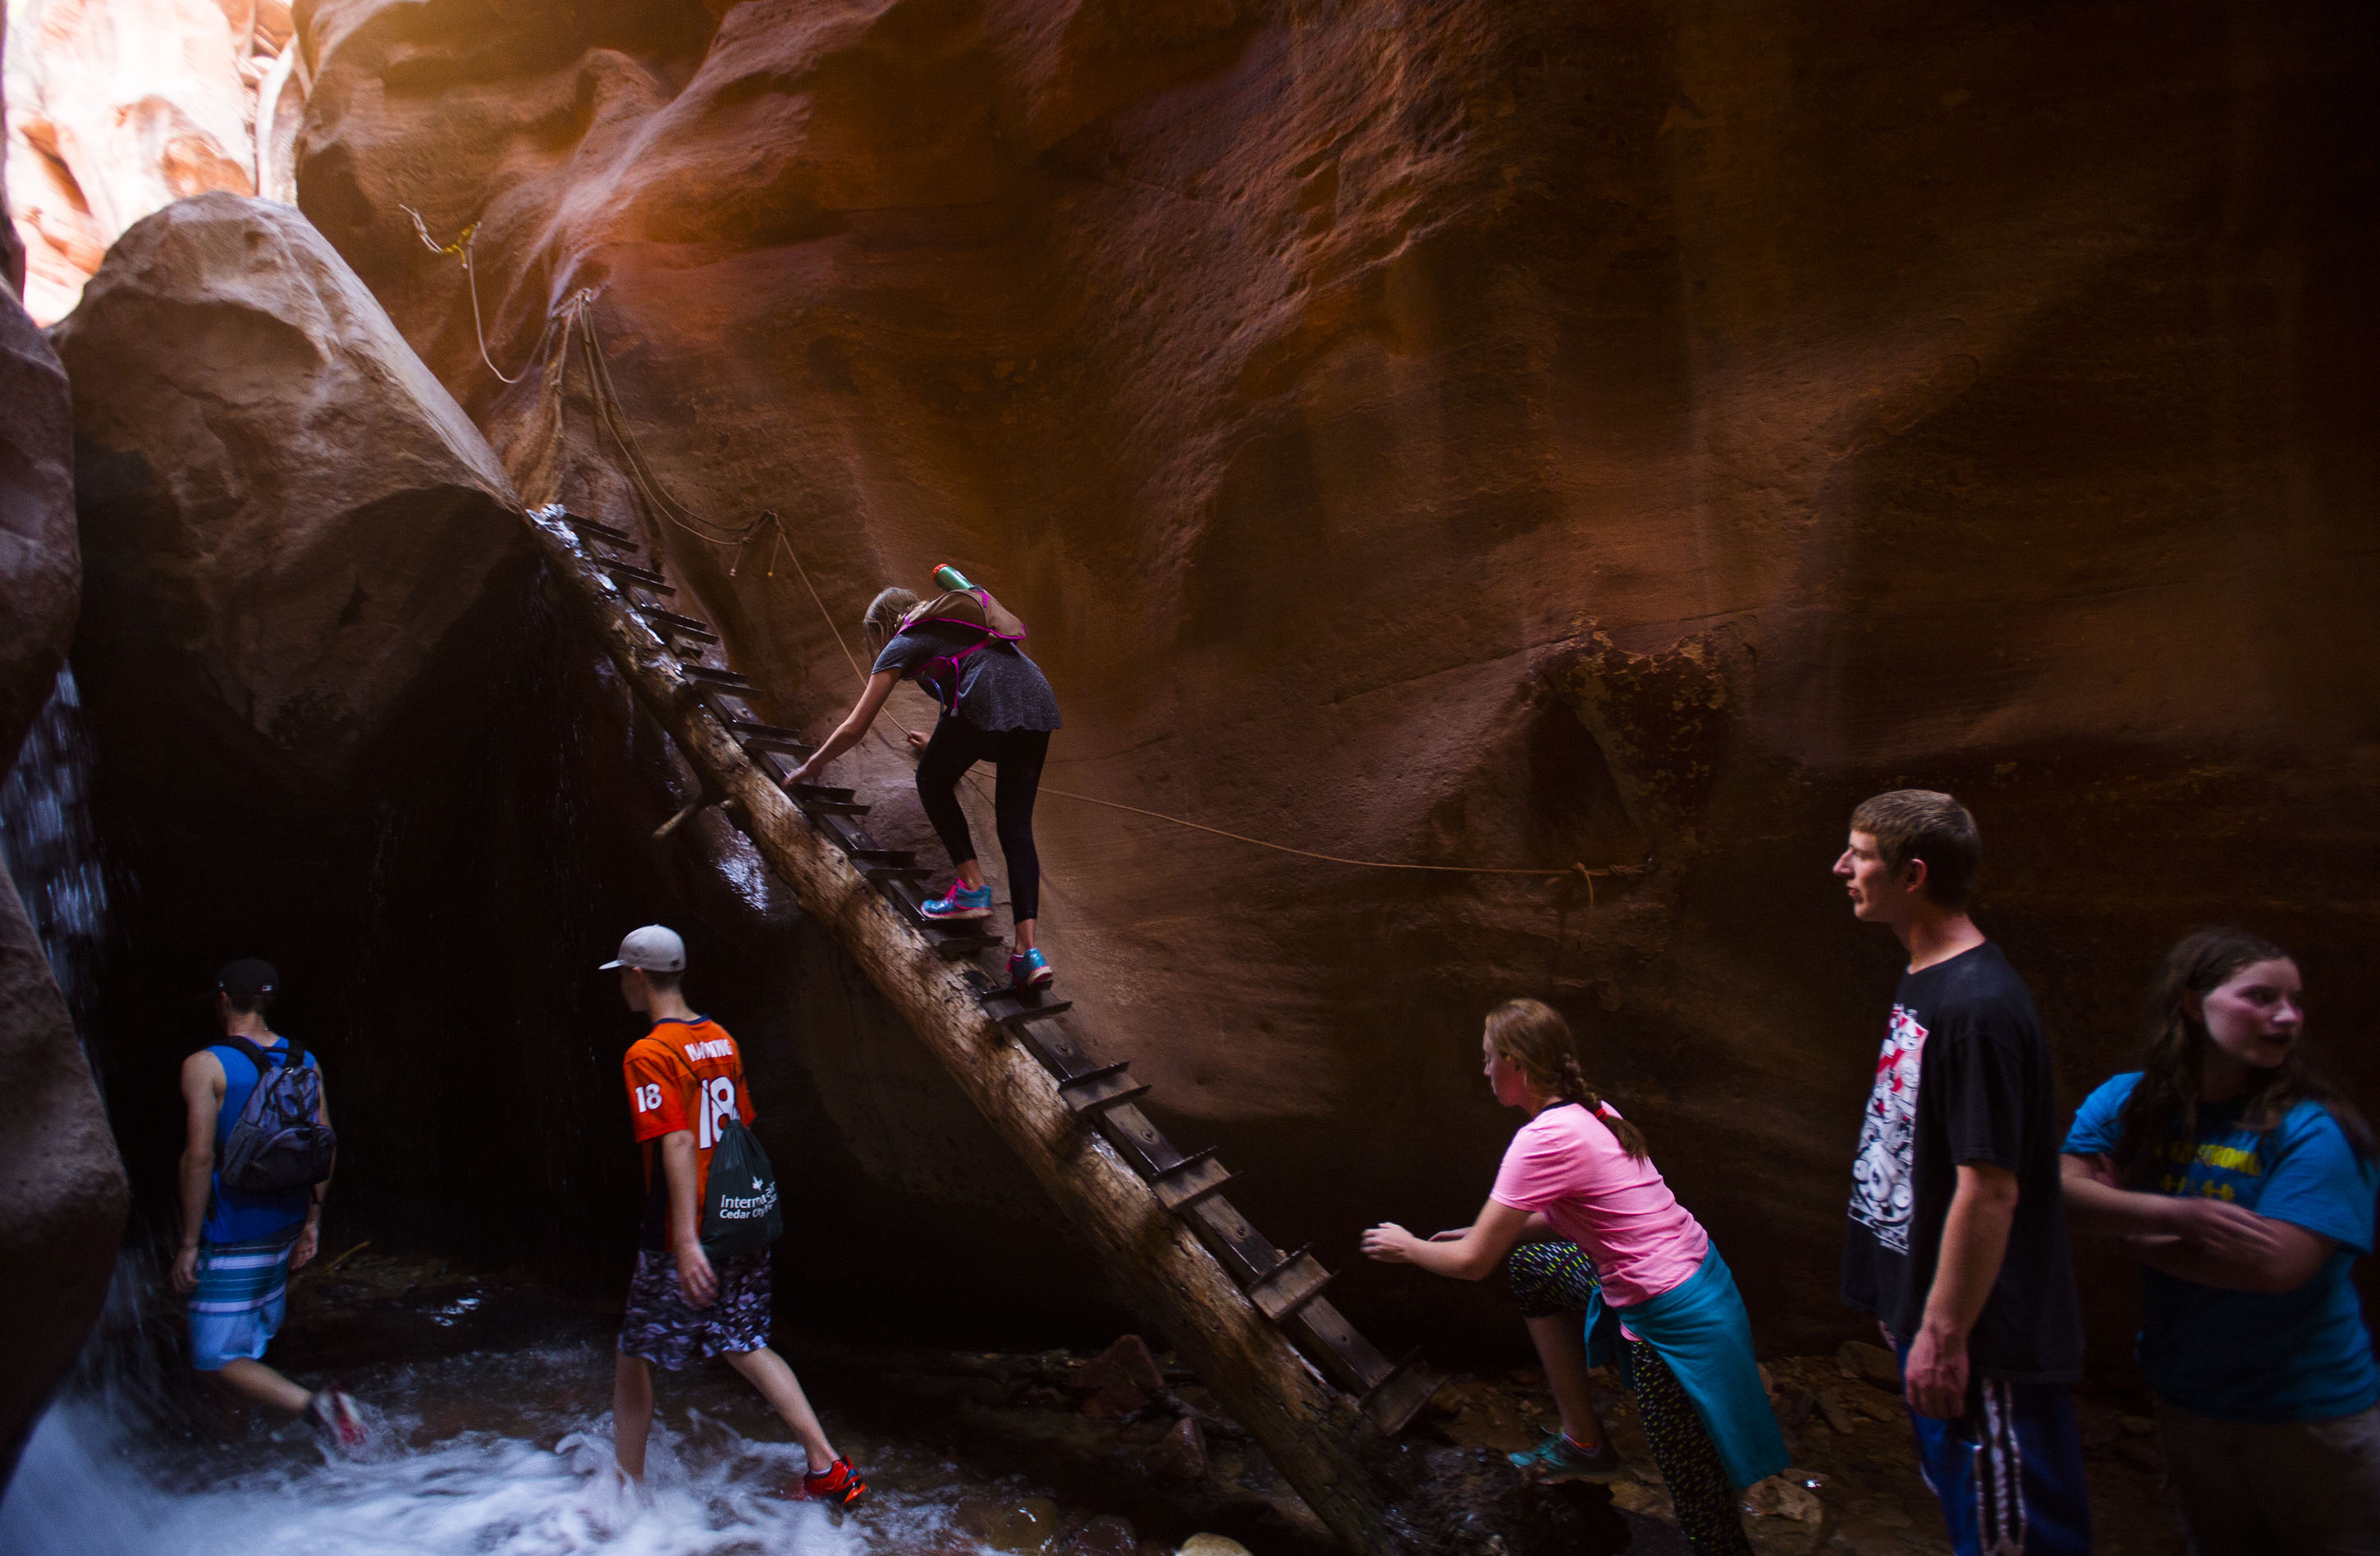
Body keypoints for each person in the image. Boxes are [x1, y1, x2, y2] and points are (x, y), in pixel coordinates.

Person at [1362, 999, 1787, 1556]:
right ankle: (1585, 1444)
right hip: (1696, 1280)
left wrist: (1410, 1248)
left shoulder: (1541, 1139)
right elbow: (1567, 1214)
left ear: (1516, 1064)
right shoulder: (1591, 1111)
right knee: (1534, 1268)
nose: (1484, 1070)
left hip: (1675, 1319)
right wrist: (1490, 1231)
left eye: (1488, 1058)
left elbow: (1472, 1264)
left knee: (1704, 1512)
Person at [2060, 928, 2379, 1554]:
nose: (2286, 1016)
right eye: (2260, 997)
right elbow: (2061, 1193)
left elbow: (2274, 1267)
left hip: (2309, 1414)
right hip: (2189, 1400)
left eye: (2294, 1001)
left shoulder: (2316, 1130)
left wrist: (2127, 1230)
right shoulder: (2129, 1100)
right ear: (2191, 1002)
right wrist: (2179, 1216)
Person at [1833, 790, 2089, 1554]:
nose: (1842, 867)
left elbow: (1990, 1188)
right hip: (1931, 1319)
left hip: (1985, 1343)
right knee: (1967, 1517)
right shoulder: (1928, 976)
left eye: (1860, 855)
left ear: (1913, 875)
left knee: (2011, 1535)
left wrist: (1943, 1335)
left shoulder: (1977, 1007)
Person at [602, 924, 866, 1505]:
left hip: (683, 1226)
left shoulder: (648, 1054)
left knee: (632, 1352)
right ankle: (827, 1465)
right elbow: (739, 1125)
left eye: (623, 975)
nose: (621, 985)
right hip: (736, 1212)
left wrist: (685, 1240)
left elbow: (675, 1140)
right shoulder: (720, 1039)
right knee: (744, 1341)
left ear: (639, 976)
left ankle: (624, 1497)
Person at [783, 579, 1062, 991]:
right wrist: (938, 744)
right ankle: (1027, 954)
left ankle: (971, 890)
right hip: (1037, 700)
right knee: (1015, 827)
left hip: (989, 697)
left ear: (883, 627)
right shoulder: (952, 628)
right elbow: (968, 689)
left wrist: (812, 765)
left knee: (930, 780)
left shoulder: (904, 640)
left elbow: (856, 726)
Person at [172, 958, 367, 1453]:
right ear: (268, 1001)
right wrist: (313, 1220)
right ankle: (232, 1452)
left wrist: (189, 1244)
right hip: (285, 1222)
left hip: (232, 1230)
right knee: (243, 1346)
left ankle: (316, 1407)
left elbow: (199, 1157)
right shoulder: (304, 1060)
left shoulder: (205, 1065)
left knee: (214, 1359)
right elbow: (325, 1143)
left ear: (222, 1000)